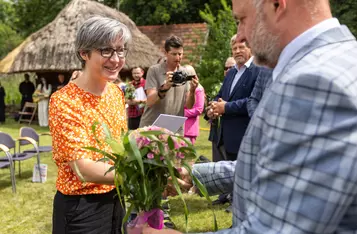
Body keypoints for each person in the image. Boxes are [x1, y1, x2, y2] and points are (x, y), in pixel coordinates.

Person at [143, 0, 357, 233]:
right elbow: (275, 166)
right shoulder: (335, 60)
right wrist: (196, 175)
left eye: (242, 20)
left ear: (277, 5)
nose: (241, 36)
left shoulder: (315, 83)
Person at [49, 16, 131, 234]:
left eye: (121, 50)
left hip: (117, 197)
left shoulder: (115, 93)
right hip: (82, 208)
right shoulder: (65, 101)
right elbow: (83, 169)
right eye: (106, 51)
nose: (116, 59)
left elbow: (120, 146)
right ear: (84, 53)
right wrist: (140, 173)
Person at [207, 35, 260, 161]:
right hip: (223, 139)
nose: (237, 51)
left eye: (241, 47)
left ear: (250, 48)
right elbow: (220, 95)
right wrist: (212, 108)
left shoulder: (259, 70)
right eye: (234, 48)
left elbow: (255, 100)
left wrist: (226, 107)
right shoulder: (231, 72)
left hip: (245, 139)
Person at [139, 35, 199, 133]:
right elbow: (150, 101)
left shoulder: (185, 73)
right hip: (152, 127)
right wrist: (165, 87)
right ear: (166, 53)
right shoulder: (154, 70)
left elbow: (189, 106)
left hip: (174, 128)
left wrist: (193, 91)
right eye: (174, 54)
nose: (178, 57)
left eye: (180, 54)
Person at [208, 57, 236, 163]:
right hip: (217, 136)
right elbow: (216, 99)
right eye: (226, 68)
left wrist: (224, 107)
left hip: (232, 137)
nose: (228, 70)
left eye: (231, 67)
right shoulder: (224, 84)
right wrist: (212, 107)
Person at [183, 65, 205, 145]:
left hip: (189, 128)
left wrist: (182, 113)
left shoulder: (199, 89)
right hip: (179, 127)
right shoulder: (183, 87)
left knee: (187, 155)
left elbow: (199, 109)